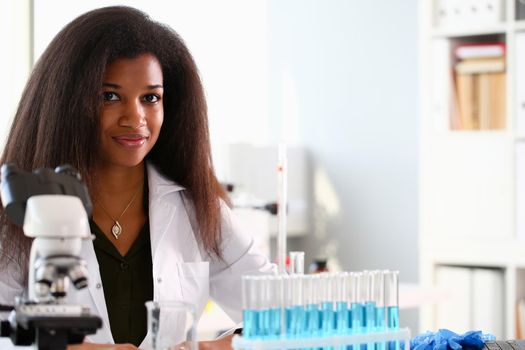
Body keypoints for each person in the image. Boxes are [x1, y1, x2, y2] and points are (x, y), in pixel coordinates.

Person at [0, 5, 275, 349]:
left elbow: (280, 310)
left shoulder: (197, 208)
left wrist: (208, 348)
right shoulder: (25, 208)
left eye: (150, 98)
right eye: (110, 96)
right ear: (68, 104)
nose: (135, 117)